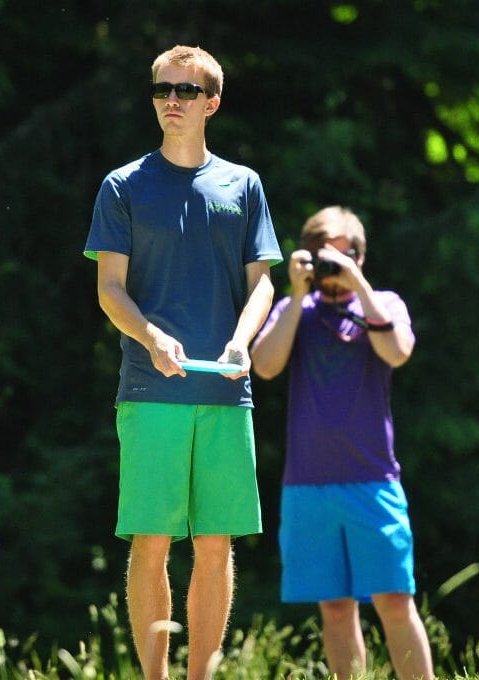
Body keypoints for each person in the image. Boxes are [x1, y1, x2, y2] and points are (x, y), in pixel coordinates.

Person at [83, 45, 281, 680]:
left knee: (216, 543)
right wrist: (150, 338)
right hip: (148, 389)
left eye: (186, 92)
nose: (171, 100)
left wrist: (240, 344)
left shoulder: (243, 184)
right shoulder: (123, 186)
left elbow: (263, 285)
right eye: (163, 90)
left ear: (211, 104)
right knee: (150, 541)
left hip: (226, 391)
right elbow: (110, 289)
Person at [250, 206, 435, 680]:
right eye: (322, 255)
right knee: (334, 607)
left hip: (373, 482)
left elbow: (397, 351)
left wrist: (358, 285)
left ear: (360, 255)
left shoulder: (384, 303)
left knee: (395, 599)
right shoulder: (296, 310)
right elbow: (265, 365)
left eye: (343, 254)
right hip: (307, 485)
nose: (333, 265)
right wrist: (296, 294)